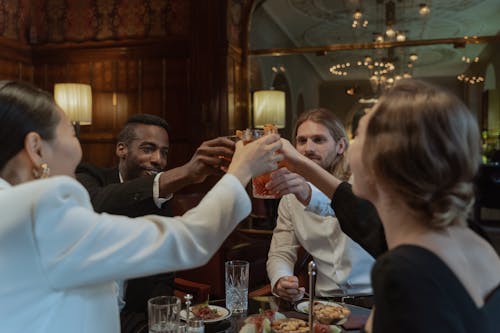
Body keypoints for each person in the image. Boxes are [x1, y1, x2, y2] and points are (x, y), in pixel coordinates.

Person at [0, 80, 282, 333]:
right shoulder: (43, 218)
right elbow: (189, 239)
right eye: (71, 133)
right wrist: (241, 170)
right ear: (37, 148)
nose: (78, 145)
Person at [277, 79, 500, 332]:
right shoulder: (469, 237)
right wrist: (299, 164)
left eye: (358, 134)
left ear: (384, 161)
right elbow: (357, 213)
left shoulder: (404, 272)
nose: (348, 148)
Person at [76, 114, 236, 329]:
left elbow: (163, 275)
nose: (158, 160)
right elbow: (96, 203)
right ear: (121, 149)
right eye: (148, 149)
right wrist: (187, 172)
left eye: (164, 152)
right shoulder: (90, 177)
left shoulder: (159, 201)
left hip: (136, 318)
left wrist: (161, 321)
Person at [266, 108, 374, 303]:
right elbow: (282, 250)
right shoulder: (290, 198)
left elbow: (353, 208)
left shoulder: (363, 181)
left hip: (374, 298)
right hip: (324, 302)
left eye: (318, 140)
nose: (308, 148)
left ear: (341, 146)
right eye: (302, 141)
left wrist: (308, 193)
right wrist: (281, 279)